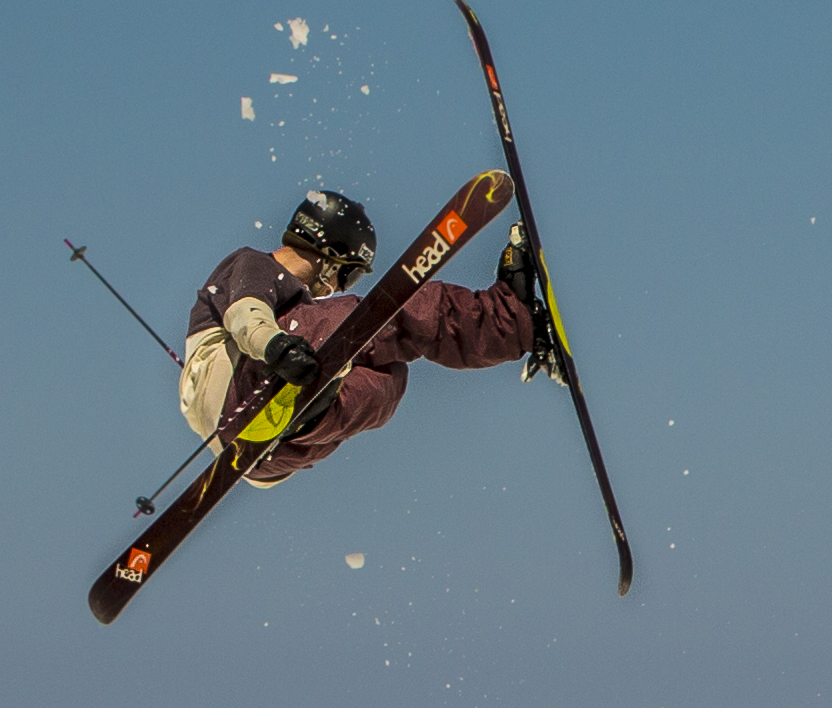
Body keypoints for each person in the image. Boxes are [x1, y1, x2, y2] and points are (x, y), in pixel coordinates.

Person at [176, 187, 552, 487]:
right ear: (332, 253)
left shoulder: (296, 306)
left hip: (259, 455)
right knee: (398, 312)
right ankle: (511, 318)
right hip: (243, 386)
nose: (339, 287)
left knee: (389, 377)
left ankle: (303, 415)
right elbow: (246, 313)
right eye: (350, 274)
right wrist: (275, 347)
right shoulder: (256, 264)